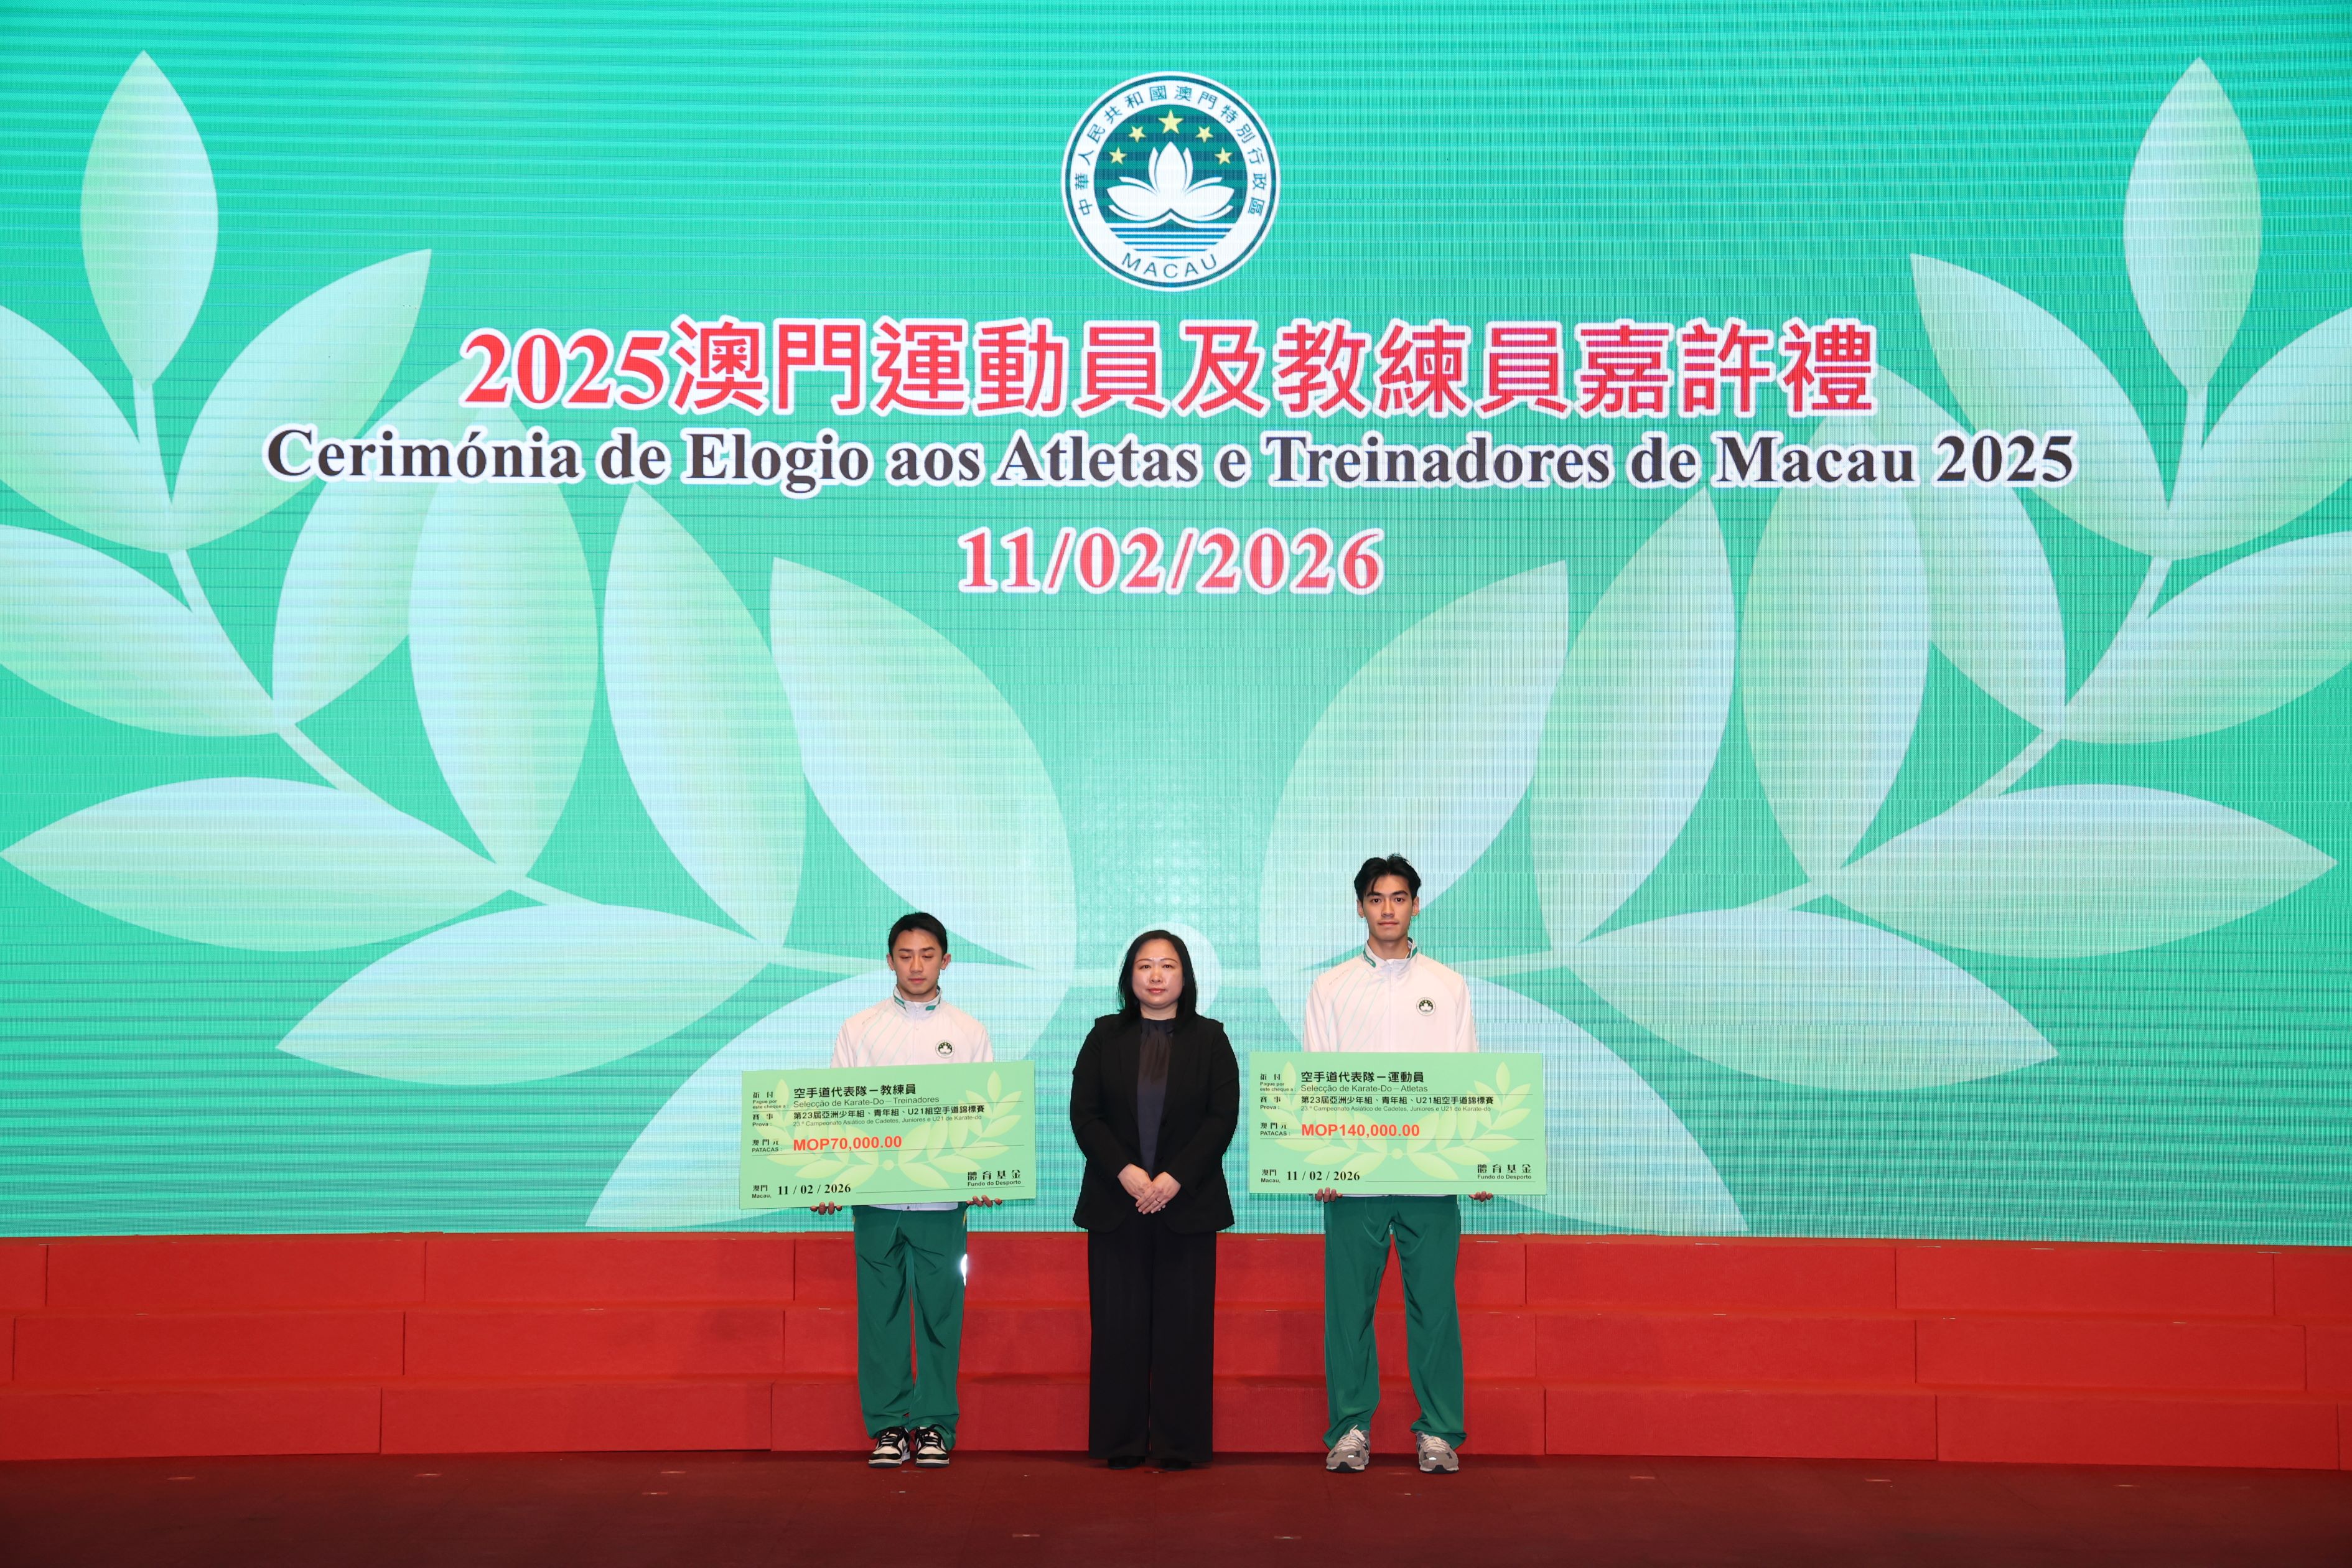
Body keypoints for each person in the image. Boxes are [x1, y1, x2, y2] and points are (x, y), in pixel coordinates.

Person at [1305, 854, 1477, 1476]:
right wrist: (1322, 1163)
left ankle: (1438, 1431)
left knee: (1434, 1306)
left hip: (1431, 1176)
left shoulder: (1448, 985)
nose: (1387, 909)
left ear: (1416, 905)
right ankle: (1350, 1428)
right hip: (1354, 1178)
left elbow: (1466, 1078)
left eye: (1399, 898)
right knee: (1349, 1308)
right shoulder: (1330, 987)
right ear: (1360, 908)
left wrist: (1476, 1162)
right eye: (1376, 899)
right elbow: (1317, 1078)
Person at [1069, 929, 1239, 1471]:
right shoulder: (1104, 1036)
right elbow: (1085, 1114)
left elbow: (1222, 1118)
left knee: (1184, 1330)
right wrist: (1125, 1171)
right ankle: (1120, 1442)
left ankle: (1179, 1445)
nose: (1157, 976)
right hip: (1116, 1203)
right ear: (1129, 977)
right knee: (1118, 1328)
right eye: (1145, 966)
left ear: (1185, 977)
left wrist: (1174, 1178)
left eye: (1168, 965)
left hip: (1187, 1205)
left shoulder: (1211, 1039)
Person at [828, 913, 991, 1470]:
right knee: (881, 1316)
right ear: (889, 960)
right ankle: (889, 1427)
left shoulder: (969, 1031)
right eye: (905, 955)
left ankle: (934, 1426)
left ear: (946, 961)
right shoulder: (859, 1029)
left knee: (942, 1315)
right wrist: (828, 1178)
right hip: (876, 1200)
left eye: (927, 955)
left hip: (942, 1202)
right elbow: (836, 1115)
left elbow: (984, 1117)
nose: (916, 966)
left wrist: (986, 1174)